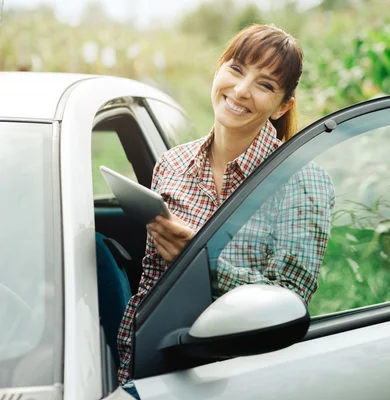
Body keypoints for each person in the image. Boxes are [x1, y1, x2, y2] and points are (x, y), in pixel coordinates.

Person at [116, 24, 335, 397]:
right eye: (236, 69)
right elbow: (149, 288)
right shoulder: (171, 164)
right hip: (156, 370)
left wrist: (200, 265)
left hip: (244, 378)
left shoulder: (300, 180)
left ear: (283, 105)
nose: (241, 90)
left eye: (265, 85)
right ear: (218, 70)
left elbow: (289, 302)